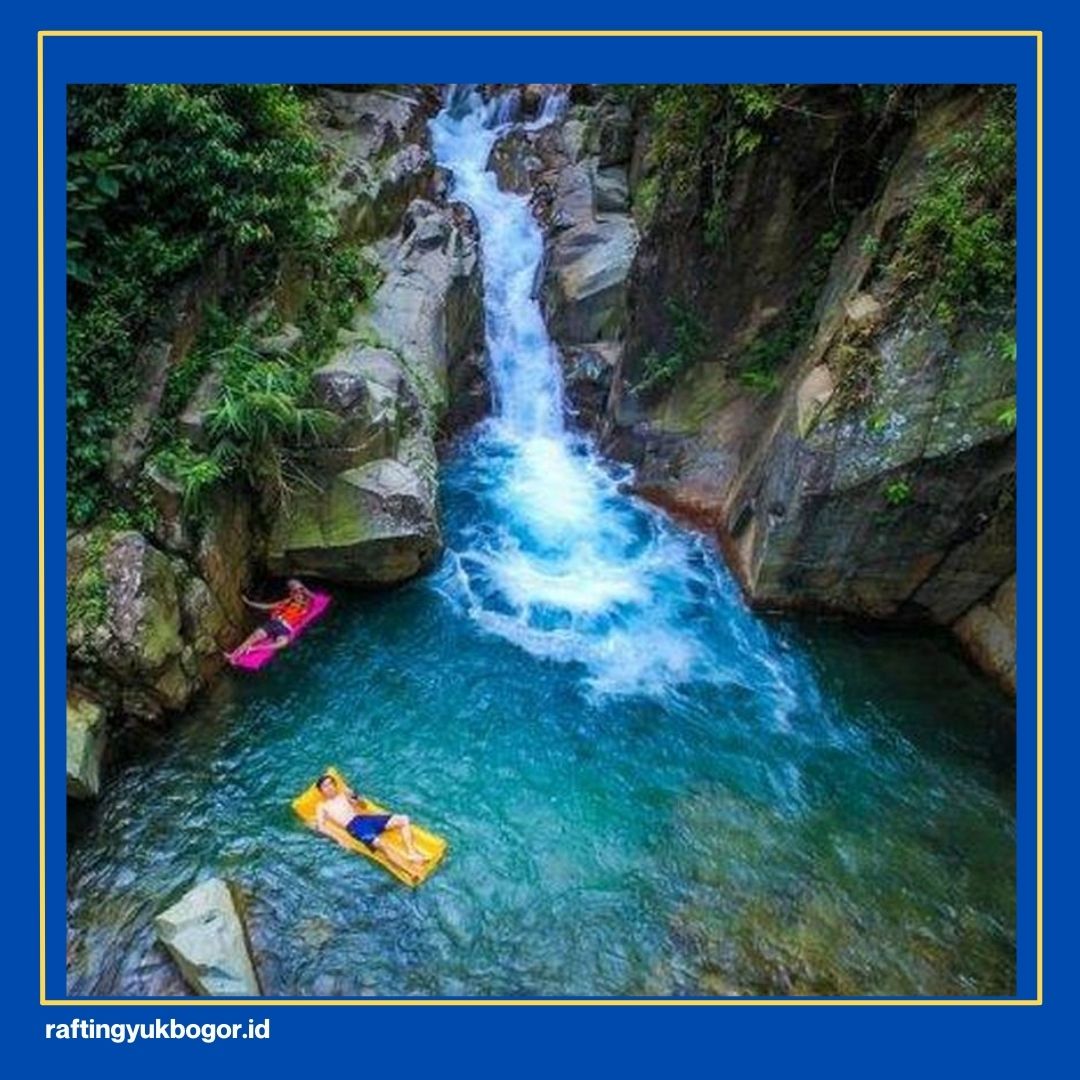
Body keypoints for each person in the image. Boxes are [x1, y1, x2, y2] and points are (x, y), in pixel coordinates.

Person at [313, 774, 430, 881]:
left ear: (335, 785)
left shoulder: (344, 794)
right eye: (325, 786)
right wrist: (339, 840)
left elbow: (363, 806)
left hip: (364, 819)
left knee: (404, 819)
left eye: (331, 784)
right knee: (382, 845)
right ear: (321, 791)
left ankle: (411, 853)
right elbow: (321, 826)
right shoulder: (322, 806)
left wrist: (357, 798)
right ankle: (410, 872)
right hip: (354, 827)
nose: (329, 787)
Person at [225, 579, 315, 662]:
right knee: (253, 637)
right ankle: (233, 656)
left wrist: (301, 587)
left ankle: (256, 648)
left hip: (285, 629)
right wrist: (249, 602)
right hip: (274, 623)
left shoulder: (306, 606)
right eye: (295, 593)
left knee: (283, 643)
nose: (298, 595)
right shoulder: (285, 602)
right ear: (292, 594)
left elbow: (312, 596)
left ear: (303, 595)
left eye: (300, 593)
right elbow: (266, 606)